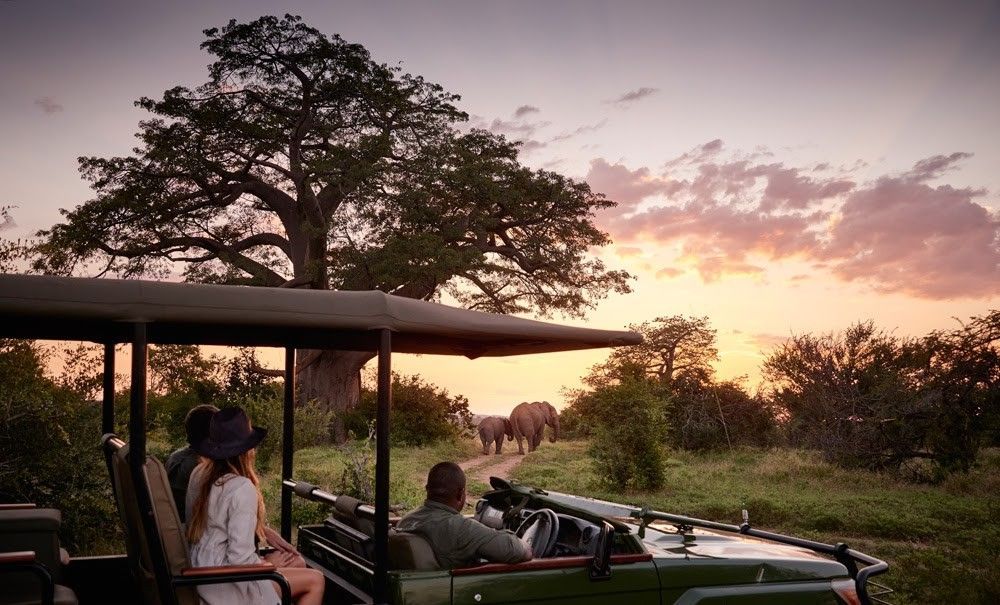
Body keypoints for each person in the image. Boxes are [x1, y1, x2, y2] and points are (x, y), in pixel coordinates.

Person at [186, 407, 324, 605]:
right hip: (226, 585)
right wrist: (268, 565)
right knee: (315, 580)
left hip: (205, 574)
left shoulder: (201, 475)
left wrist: (263, 533)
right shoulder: (241, 488)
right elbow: (239, 560)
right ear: (247, 450)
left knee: (297, 563)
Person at [395, 461, 532, 569]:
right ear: (460, 494)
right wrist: (526, 540)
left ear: (427, 490)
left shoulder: (407, 519)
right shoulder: (461, 529)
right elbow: (521, 552)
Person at [166, 404, 218, 521]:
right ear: (212, 432)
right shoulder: (201, 466)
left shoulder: (175, 457)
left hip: (175, 523)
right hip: (191, 530)